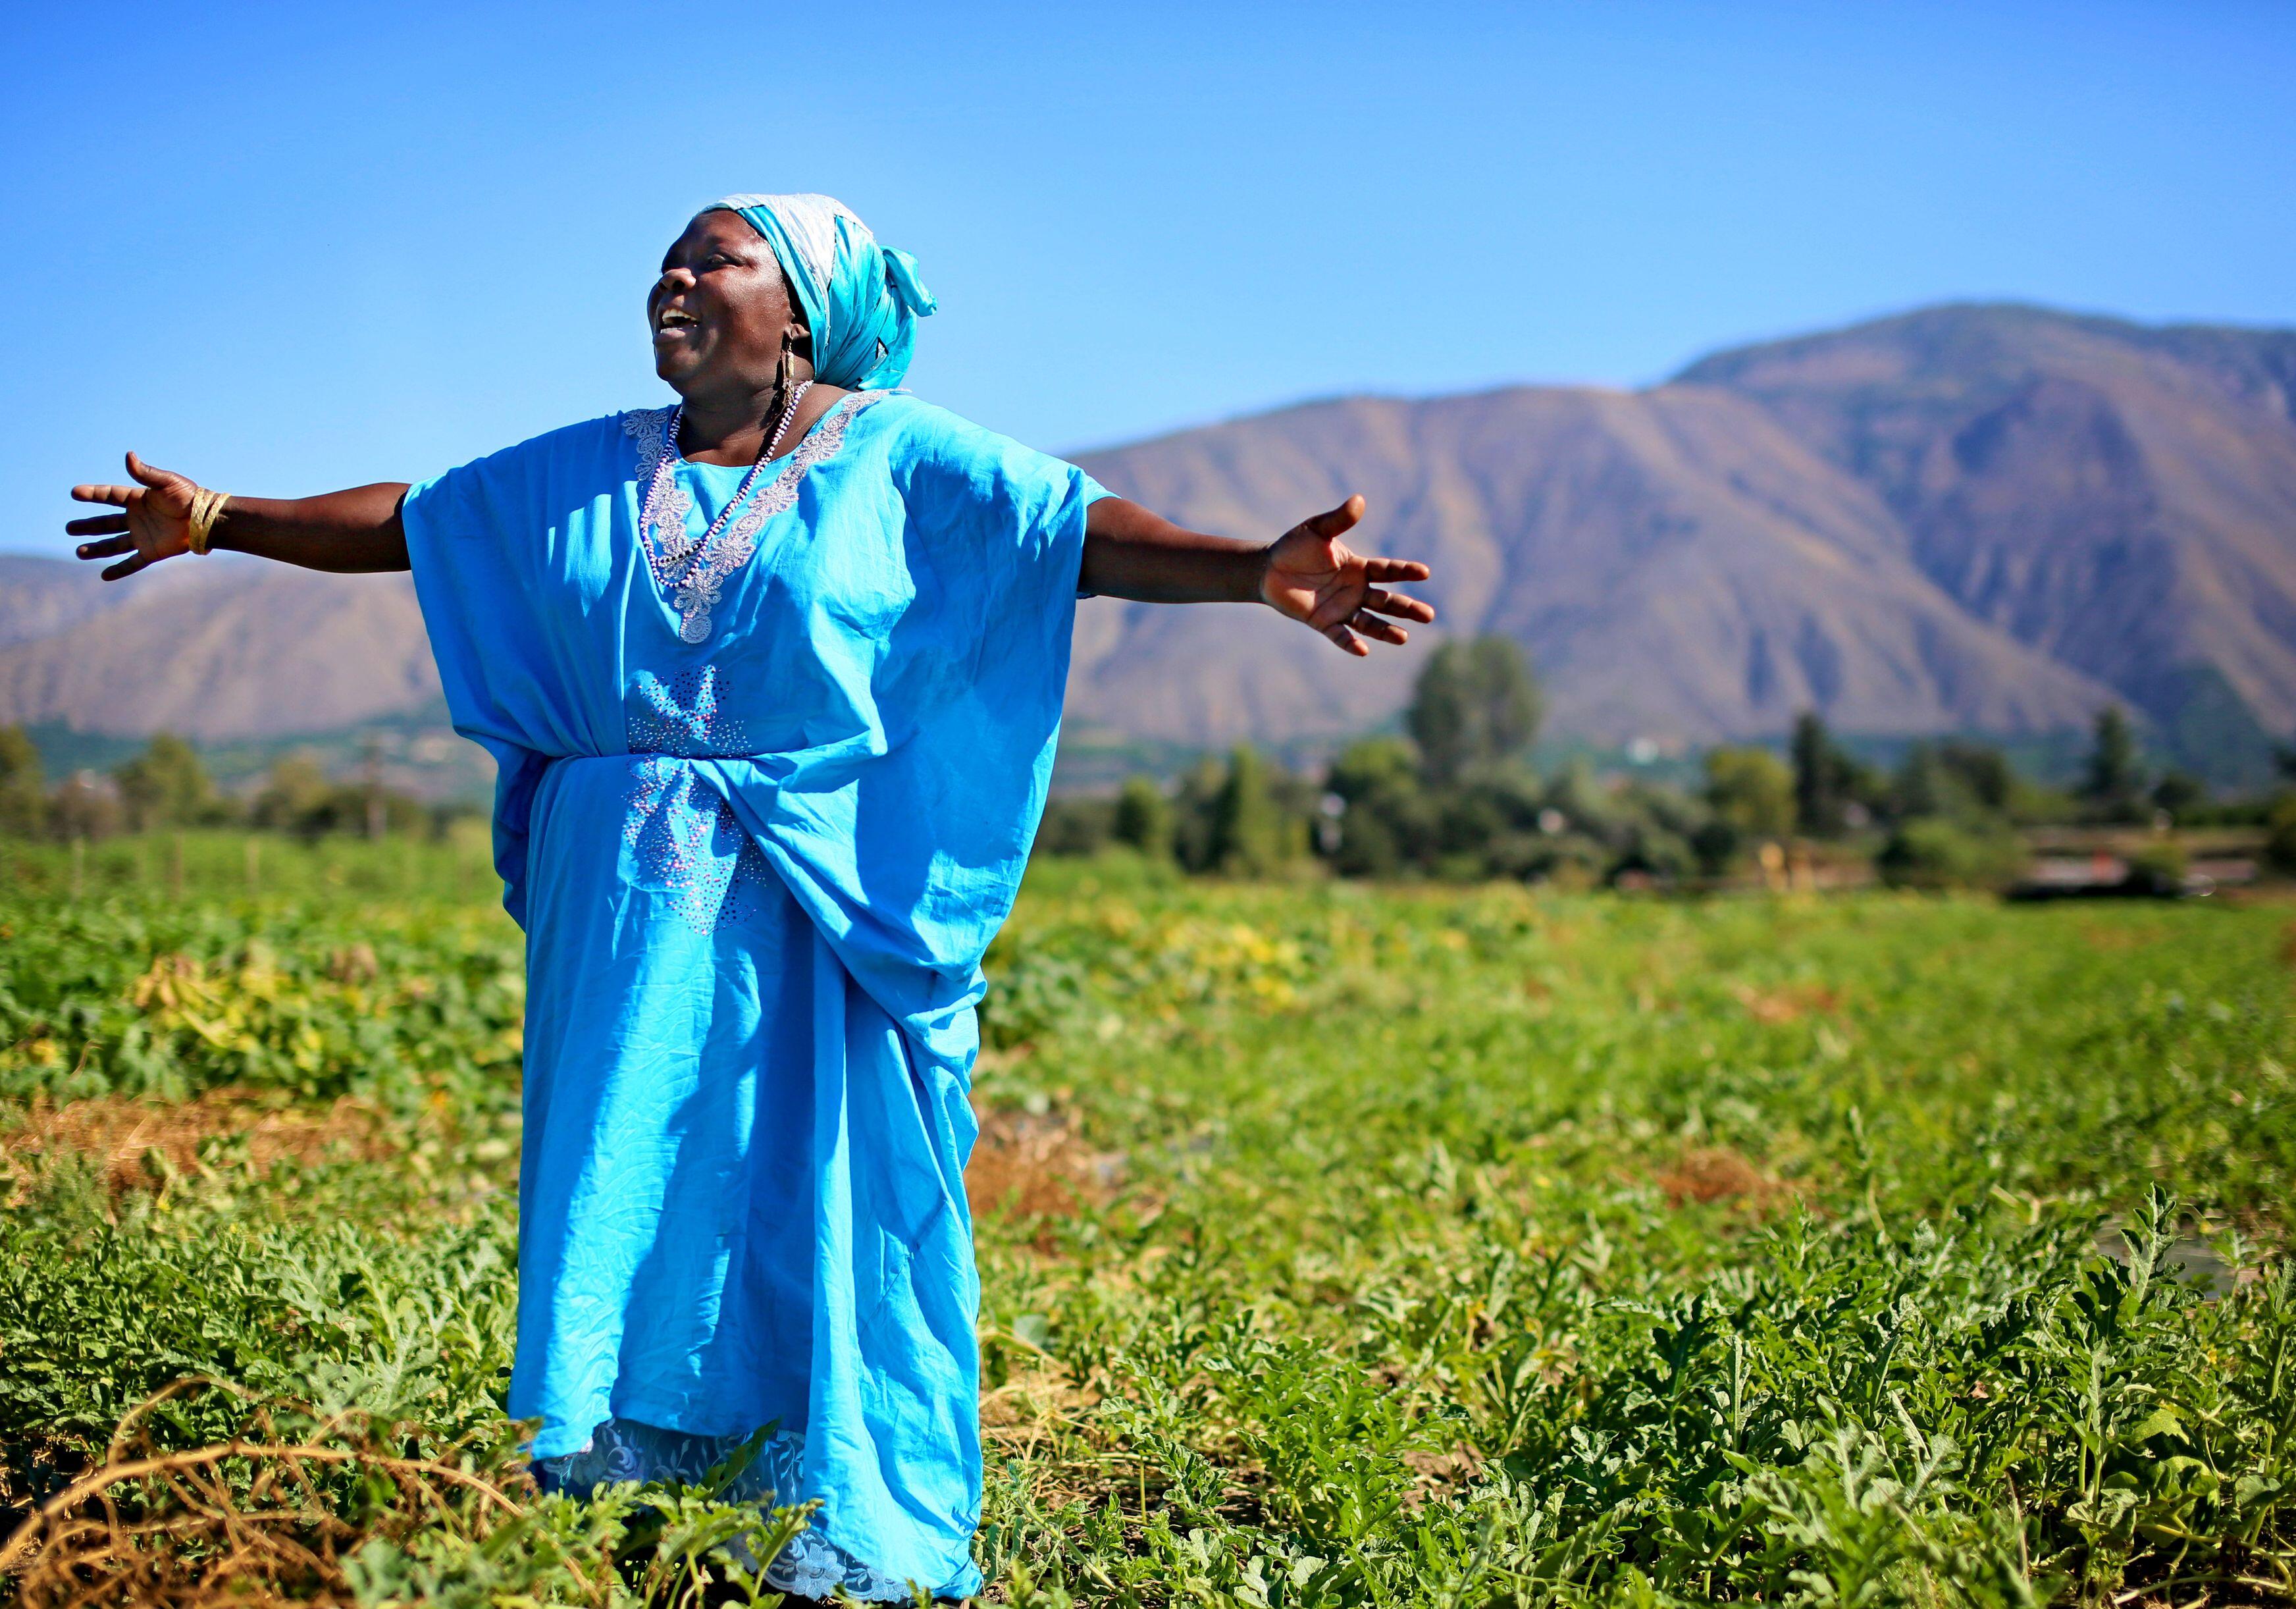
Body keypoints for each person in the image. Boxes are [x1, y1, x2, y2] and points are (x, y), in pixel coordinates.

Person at [67, 192, 1434, 1600]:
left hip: (814, 908)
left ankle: (821, 1512)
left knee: (798, 1198)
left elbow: (1070, 535)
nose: (675, 273)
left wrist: (1249, 570)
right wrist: (221, 519)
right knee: (627, 1186)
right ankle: (622, 1499)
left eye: (715, 256)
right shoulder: (592, 468)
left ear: (802, 308)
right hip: (619, 924)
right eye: (668, 254)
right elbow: (419, 524)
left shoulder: (897, 457)